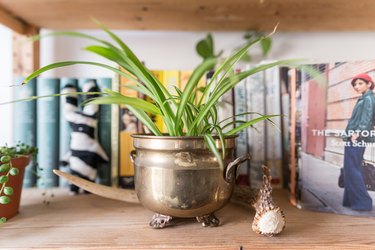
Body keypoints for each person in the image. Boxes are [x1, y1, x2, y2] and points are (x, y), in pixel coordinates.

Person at [342, 73, 375, 211]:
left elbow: (366, 119)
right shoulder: (364, 98)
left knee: (352, 169)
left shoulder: (368, 99)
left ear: (369, 84)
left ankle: (363, 202)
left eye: (360, 83)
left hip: (357, 137)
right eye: (355, 84)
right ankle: (350, 200)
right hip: (354, 136)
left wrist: (358, 133)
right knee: (351, 168)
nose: (357, 86)